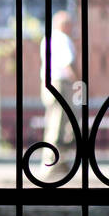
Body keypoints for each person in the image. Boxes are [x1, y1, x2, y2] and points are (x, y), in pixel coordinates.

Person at [38, 10, 77, 177]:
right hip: (60, 84)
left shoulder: (47, 38)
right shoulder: (62, 39)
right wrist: (79, 82)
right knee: (59, 123)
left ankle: (59, 163)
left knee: (55, 120)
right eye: (70, 25)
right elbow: (67, 64)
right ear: (65, 25)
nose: (72, 28)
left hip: (47, 83)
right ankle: (50, 163)